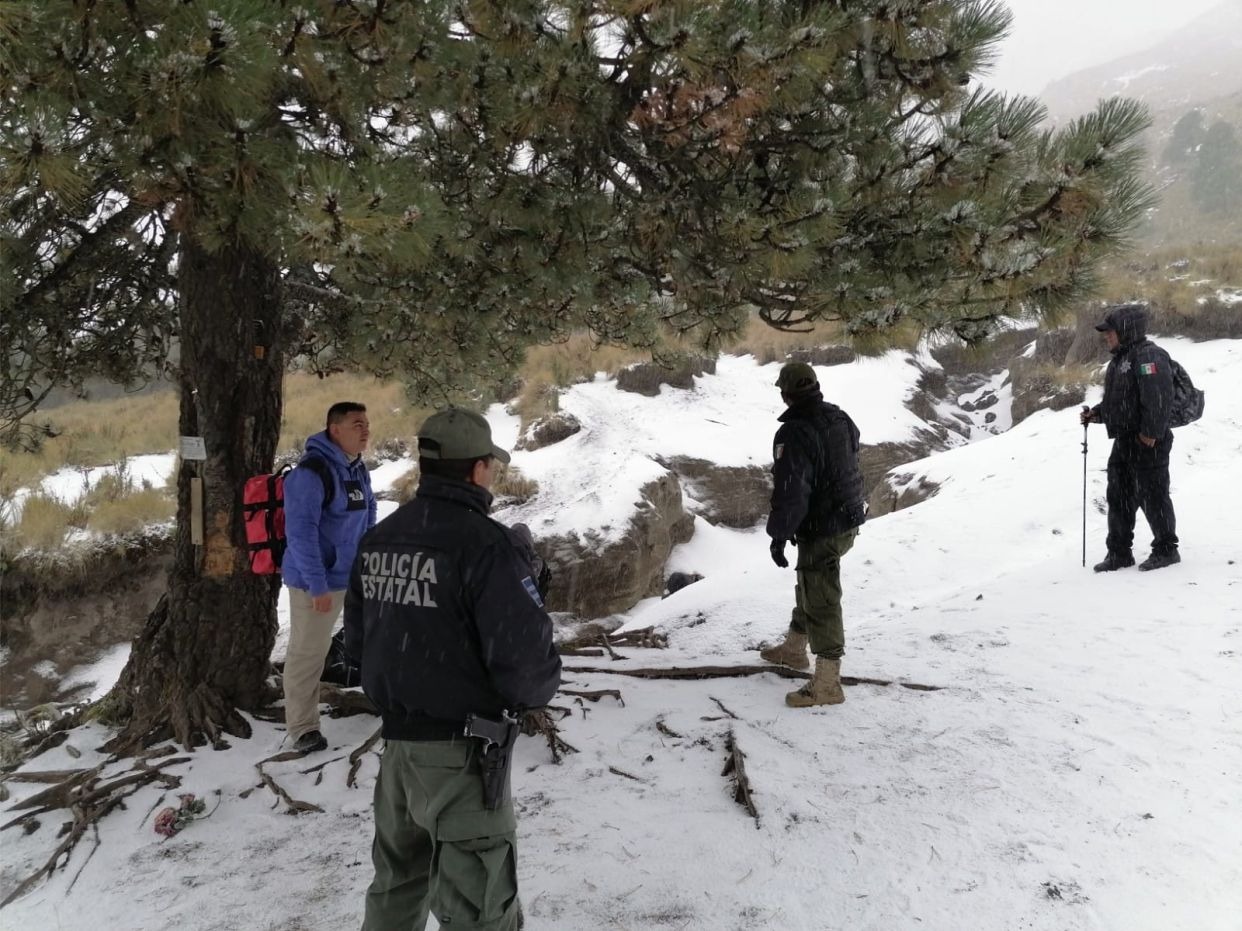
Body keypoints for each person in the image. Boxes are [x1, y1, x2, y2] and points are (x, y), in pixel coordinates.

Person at [344, 407, 561, 931]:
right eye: (492, 466)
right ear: (479, 469)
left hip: (397, 755)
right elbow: (526, 666)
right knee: (480, 909)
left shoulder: (381, 538)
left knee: (396, 889)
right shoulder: (486, 545)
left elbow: (356, 646)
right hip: (461, 760)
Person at [759, 362, 866, 707]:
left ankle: (827, 684)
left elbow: (792, 491)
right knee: (811, 582)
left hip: (824, 526)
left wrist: (778, 534)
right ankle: (793, 649)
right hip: (849, 518)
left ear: (785, 393)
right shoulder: (840, 417)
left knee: (820, 594)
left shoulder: (794, 433)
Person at [281, 401, 377, 753]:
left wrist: (367, 556)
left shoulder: (356, 468)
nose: (365, 430)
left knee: (370, 641)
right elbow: (301, 533)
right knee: (308, 654)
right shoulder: (311, 472)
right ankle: (303, 728)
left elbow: (369, 509)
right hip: (315, 583)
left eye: (366, 423)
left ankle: (384, 699)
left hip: (351, 577)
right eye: (356, 424)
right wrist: (317, 584)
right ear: (335, 429)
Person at [1080, 303, 1180, 572]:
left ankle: (1166, 550)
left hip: (1148, 442)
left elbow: (1159, 398)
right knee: (1119, 496)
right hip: (1124, 441)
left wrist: (1150, 434)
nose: (1107, 337)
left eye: (1110, 332)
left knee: (1153, 496)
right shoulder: (1120, 361)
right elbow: (1120, 402)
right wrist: (1097, 415)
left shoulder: (1149, 357)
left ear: (1126, 330)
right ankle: (1119, 553)